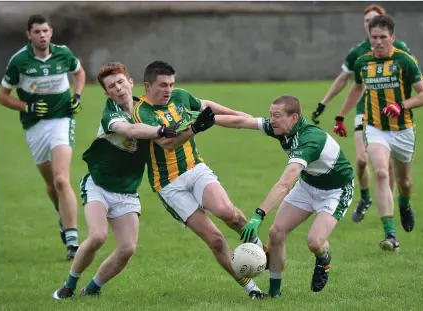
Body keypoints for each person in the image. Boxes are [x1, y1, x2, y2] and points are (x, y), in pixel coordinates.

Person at [131, 60, 268, 299]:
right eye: (163, 85)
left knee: (228, 213)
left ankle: (258, 246)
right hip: (169, 185)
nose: (168, 90)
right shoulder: (141, 112)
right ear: (147, 85)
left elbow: (206, 105)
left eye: (171, 84)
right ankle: (251, 289)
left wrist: (239, 115)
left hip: (195, 168)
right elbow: (167, 143)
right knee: (215, 240)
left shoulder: (180, 97)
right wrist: (194, 129)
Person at [52, 62, 181, 299]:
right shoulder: (111, 112)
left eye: (121, 82)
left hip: (127, 190)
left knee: (127, 249)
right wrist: (161, 131)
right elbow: (129, 131)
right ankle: (69, 285)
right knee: (98, 236)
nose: (118, 89)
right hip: (98, 184)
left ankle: (92, 289)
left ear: (131, 82)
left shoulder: (147, 110)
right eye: (112, 86)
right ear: (107, 92)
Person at [215, 95, 354, 297]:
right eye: (271, 115)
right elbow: (241, 121)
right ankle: (274, 294)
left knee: (315, 242)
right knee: (276, 233)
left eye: (276, 115)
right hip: (308, 184)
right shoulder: (279, 127)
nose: (271, 120)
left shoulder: (310, 140)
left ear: (294, 117)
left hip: (336, 191)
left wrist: (258, 215)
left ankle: (323, 260)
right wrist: (207, 121)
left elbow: (285, 184)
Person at [334, 15, 423, 251]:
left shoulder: (404, 61)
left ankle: (405, 203)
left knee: (405, 182)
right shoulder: (363, 63)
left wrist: (401, 106)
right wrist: (340, 116)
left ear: (392, 38)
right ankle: (390, 234)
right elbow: (356, 88)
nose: (377, 42)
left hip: (403, 130)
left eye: (383, 37)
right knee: (379, 172)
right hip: (375, 127)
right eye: (374, 37)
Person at [311, 4, 413, 223]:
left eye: (374, 20)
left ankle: (393, 207)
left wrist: (403, 105)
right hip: (364, 113)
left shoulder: (401, 49)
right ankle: (367, 197)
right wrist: (325, 103)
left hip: (394, 117)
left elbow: (413, 78)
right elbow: (344, 80)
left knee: (389, 169)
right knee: (361, 160)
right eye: (367, 21)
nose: (370, 25)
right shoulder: (358, 52)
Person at [0, 14, 86, 260]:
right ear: (29, 35)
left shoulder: (63, 54)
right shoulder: (19, 61)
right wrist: (28, 107)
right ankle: (62, 215)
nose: (42, 35)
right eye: (37, 32)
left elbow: (80, 74)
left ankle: (72, 241)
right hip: (34, 126)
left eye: (46, 31)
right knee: (51, 185)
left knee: (61, 179)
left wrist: (77, 96)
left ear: (51, 32)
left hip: (61, 119)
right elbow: (2, 96)